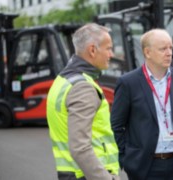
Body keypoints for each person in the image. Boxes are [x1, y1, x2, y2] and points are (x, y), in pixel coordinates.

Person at [111, 29, 173, 180]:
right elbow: (117, 125)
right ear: (147, 52)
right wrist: (127, 159)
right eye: (162, 49)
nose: (169, 53)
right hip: (145, 167)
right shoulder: (128, 83)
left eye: (170, 48)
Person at [46, 23, 120, 180]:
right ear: (92, 50)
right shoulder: (82, 87)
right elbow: (80, 147)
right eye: (108, 48)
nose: (111, 54)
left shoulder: (63, 80)